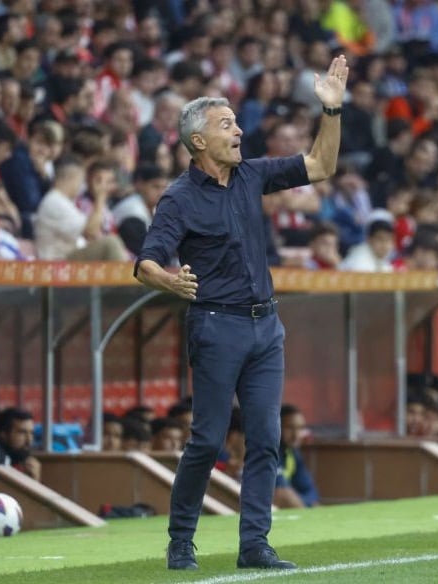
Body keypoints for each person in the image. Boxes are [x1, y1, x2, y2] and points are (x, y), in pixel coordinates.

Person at [134, 55, 347, 571]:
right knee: (207, 439)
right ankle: (181, 539)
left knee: (266, 438)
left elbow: (320, 166)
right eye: (226, 123)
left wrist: (332, 113)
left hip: (265, 325)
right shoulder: (178, 198)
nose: (240, 129)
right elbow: (144, 262)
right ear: (199, 141)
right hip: (216, 326)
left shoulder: (253, 175)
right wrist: (167, 279)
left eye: (235, 120)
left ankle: (255, 544)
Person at [275, 404, 320, 508]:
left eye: (300, 428)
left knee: (316, 505)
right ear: (278, 427)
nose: (296, 435)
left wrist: (305, 502)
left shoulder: (293, 453)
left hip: (292, 504)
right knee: (285, 495)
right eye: (290, 428)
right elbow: (281, 491)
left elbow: (311, 491)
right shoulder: (271, 452)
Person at [0, 407, 41, 481]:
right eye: (22, 432)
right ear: (4, 434)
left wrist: (35, 480)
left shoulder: (30, 465)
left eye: (31, 433)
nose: (29, 440)